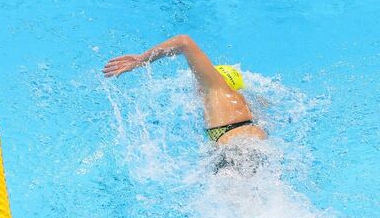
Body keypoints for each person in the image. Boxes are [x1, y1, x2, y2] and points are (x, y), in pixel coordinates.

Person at [103, 34, 266, 145]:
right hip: (246, 153)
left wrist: (141, 59)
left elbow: (183, 42)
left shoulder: (218, 89)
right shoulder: (242, 111)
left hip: (237, 154)